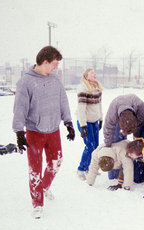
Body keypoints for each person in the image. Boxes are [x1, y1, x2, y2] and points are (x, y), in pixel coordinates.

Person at [12, 46, 75, 219]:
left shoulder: (55, 80)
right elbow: (19, 108)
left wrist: (68, 122)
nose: (56, 67)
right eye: (54, 63)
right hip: (35, 132)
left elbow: (63, 101)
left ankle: (44, 186)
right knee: (35, 169)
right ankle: (37, 203)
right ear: (45, 62)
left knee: (56, 162)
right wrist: (19, 132)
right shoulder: (26, 82)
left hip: (53, 130)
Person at [102, 94, 144, 180]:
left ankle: (126, 168)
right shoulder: (112, 114)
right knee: (115, 143)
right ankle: (114, 174)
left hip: (134, 117)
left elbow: (142, 118)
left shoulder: (139, 105)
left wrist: (136, 132)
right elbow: (108, 129)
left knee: (125, 146)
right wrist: (108, 145)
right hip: (118, 118)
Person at [76, 68, 103, 180]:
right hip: (85, 122)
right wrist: (83, 126)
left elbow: (99, 105)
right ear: (86, 76)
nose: (94, 74)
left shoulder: (97, 87)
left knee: (95, 146)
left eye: (95, 72)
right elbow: (81, 109)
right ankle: (81, 169)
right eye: (92, 73)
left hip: (94, 121)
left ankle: (89, 168)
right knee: (90, 146)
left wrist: (101, 119)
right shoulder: (83, 88)